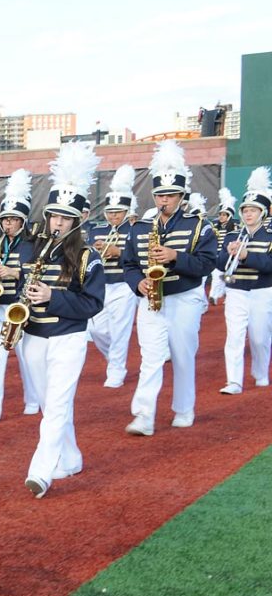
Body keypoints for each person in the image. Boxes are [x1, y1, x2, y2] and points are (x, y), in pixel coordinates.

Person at [18, 142, 106, 498]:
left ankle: (41, 471)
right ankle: (70, 457)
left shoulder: (88, 257)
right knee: (48, 403)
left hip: (68, 337)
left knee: (55, 406)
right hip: (33, 336)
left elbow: (92, 304)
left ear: (77, 220)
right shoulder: (32, 250)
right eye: (54, 216)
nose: (57, 223)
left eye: (65, 218)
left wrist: (52, 297)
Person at [122, 141, 218, 435]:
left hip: (184, 297)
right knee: (150, 358)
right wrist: (137, 282)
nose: (164, 200)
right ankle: (144, 415)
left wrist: (176, 257)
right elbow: (128, 264)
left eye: (170, 195)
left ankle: (184, 408)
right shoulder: (139, 227)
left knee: (182, 354)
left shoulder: (199, 225)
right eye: (160, 194)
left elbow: (207, 264)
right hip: (150, 298)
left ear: (181, 196)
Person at [0, 169, 40, 423]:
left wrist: (15, 272)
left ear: (23, 221)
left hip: (23, 307)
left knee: (27, 357)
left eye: (14, 219)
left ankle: (33, 399)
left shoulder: (34, 244)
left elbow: (38, 275)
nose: (8, 224)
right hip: (0, 307)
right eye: (5, 219)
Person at [217, 168, 272, 394]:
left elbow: (270, 266)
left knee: (259, 338)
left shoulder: (270, 236)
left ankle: (260, 372)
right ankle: (234, 381)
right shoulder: (232, 236)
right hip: (236, 291)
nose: (248, 214)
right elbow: (220, 264)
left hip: (263, 291)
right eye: (245, 210)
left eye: (253, 210)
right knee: (234, 336)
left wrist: (247, 255)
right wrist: (228, 254)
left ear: (263, 213)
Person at [85, 165, 138, 387]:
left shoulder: (135, 230)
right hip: (102, 285)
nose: (114, 215)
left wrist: (119, 253)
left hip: (125, 284)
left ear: (127, 211)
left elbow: (141, 257)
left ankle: (116, 369)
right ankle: (113, 360)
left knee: (120, 329)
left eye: (118, 211)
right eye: (110, 211)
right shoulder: (96, 230)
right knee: (97, 329)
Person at [209, 188, 239, 304]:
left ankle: (228, 295)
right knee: (217, 276)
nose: (221, 217)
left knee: (228, 277)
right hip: (218, 256)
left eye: (224, 215)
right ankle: (214, 296)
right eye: (220, 214)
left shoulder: (236, 227)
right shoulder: (215, 228)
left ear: (229, 216)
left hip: (231, 256)